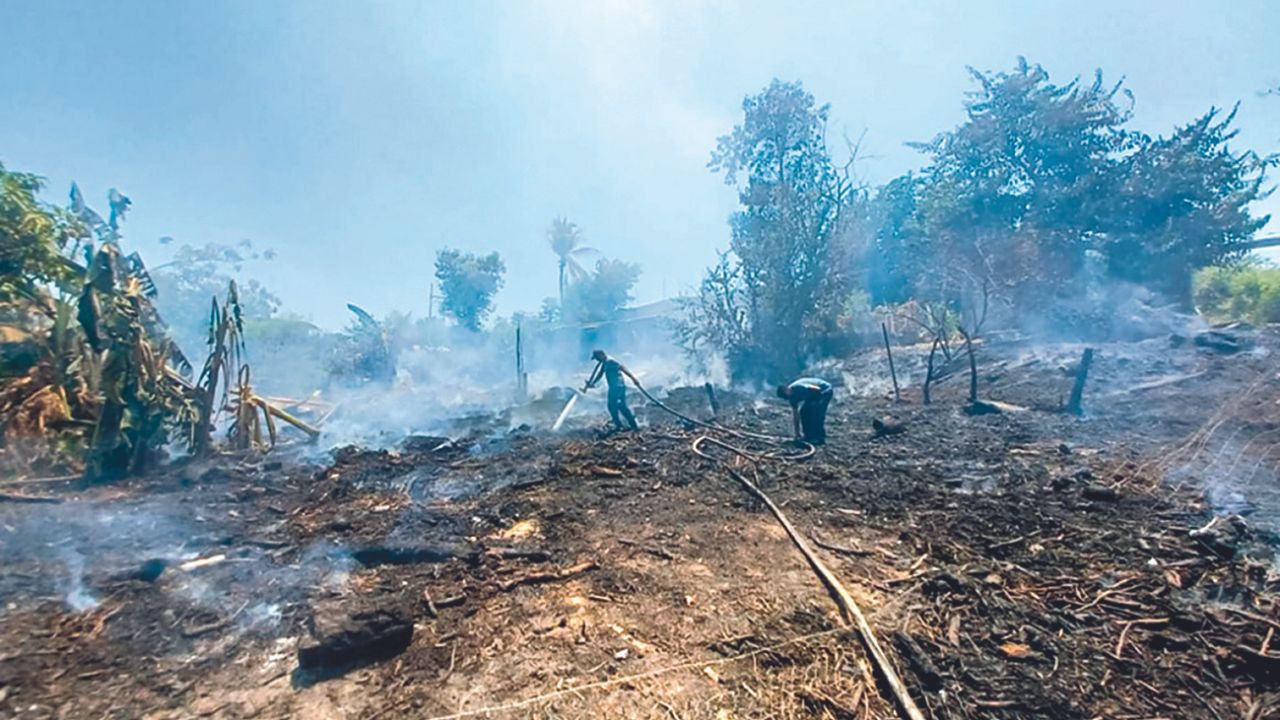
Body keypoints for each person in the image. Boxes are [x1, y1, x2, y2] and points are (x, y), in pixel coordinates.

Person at [585, 349, 639, 432]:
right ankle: (632, 425)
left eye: (596, 358)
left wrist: (633, 378)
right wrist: (592, 383)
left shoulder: (610, 361)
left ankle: (620, 425)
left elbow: (623, 368)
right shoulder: (605, 362)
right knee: (621, 406)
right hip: (617, 386)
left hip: (616, 386)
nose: (596, 360)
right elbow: (600, 374)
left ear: (600, 355)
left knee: (611, 406)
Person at [777, 377, 833, 445]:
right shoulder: (792, 398)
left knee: (817, 412)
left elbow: (817, 388)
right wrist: (797, 433)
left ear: (786, 389)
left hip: (824, 390)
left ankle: (819, 438)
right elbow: (796, 416)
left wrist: (815, 403)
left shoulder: (798, 387)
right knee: (804, 412)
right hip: (812, 395)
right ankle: (808, 436)